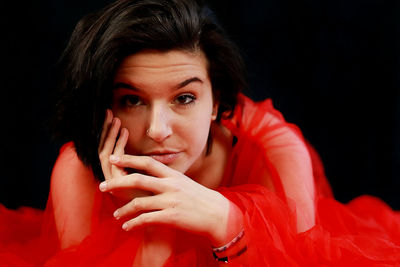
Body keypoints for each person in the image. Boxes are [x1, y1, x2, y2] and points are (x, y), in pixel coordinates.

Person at [0, 0, 399, 266]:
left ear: (219, 99)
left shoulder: (273, 152)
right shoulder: (78, 170)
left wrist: (227, 222)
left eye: (185, 98)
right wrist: (150, 221)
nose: (157, 131)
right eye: (131, 101)